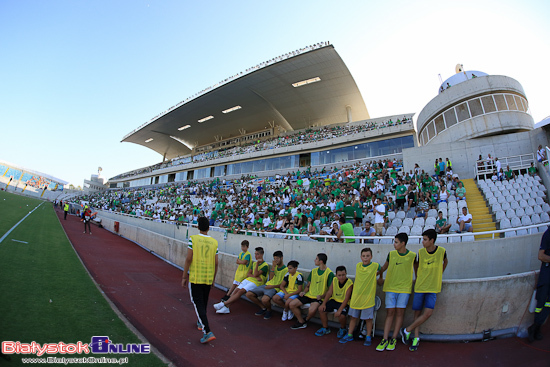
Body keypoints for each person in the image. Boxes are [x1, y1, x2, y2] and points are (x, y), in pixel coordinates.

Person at [401, 229, 448, 352]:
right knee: (417, 313)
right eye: (423, 239)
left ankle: (407, 330)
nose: (423, 242)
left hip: (433, 287)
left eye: (425, 239)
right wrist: (417, 277)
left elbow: (445, 261)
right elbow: (416, 265)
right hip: (420, 287)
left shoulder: (442, 251)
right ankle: (416, 338)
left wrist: (440, 273)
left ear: (432, 240)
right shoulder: (421, 252)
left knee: (428, 313)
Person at [181, 217, 219, 344]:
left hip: (196, 276)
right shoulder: (214, 242)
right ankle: (200, 321)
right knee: (203, 302)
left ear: (198, 227)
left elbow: (188, 259)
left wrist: (184, 276)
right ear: (209, 228)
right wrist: (213, 279)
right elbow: (216, 263)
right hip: (208, 276)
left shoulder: (193, 239)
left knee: (197, 303)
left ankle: (207, 331)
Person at [376, 233, 416, 352]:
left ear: (403, 243)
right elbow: (384, 267)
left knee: (400, 313)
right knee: (390, 313)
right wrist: (377, 274)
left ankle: (393, 338)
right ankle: (384, 338)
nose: (394, 244)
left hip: (404, 289)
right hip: (390, 288)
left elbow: (417, 270)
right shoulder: (391, 254)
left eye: (396, 242)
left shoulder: (413, 256)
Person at [339, 247, 382, 346]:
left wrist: (380, 276)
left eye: (368, 256)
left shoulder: (375, 265)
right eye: (363, 256)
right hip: (356, 297)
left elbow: (381, 269)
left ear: (371, 256)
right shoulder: (358, 265)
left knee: (368, 319)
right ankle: (349, 335)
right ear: (360, 257)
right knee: (353, 317)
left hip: (368, 297)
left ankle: (368, 336)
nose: (365, 258)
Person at [214, 247, 268, 314]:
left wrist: (257, 266)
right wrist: (254, 276)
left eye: (257, 254)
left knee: (240, 291)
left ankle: (224, 304)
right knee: (236, 290)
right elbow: (249, 274)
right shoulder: (254, 264)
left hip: (257, 282)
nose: (256, 256)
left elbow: (256, 274)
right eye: (255, 254)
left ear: (262, 255)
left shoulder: (265, 265)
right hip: (250, 279)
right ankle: (226, 307)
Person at [289, 253, 334, 330]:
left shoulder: (329, 273)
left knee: (312, 310)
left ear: (321, 261)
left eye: (316, 259)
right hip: (309, 295)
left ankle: (306, 319)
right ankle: (301, 322)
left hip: (318, 298)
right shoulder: (313, 271)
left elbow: (330, 290)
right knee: (292, 304)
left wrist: (322, 296)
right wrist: (304, 292)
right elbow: (308, 285)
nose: (314, 260)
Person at [246, 250, 287, 319]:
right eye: (274, 259)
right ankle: (263, 308)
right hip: (267, 285)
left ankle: (269, 310)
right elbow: (271, 278)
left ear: (281, 258)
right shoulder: (275, 267)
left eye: (277, 258)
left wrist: (271, 286)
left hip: (275, 288)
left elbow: (283, 285)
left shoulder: (286, 270)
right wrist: (273, 268)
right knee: (248, 294)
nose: (275, 260)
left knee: (264, 300)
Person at [316, 266, 353, 338]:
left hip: (343, 302)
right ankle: (325, 328)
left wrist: (339, 310)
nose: (341, 277)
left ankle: (343, 328)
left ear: (346, 274)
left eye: (343, 275)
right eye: (339, 275)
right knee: (321, 309)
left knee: (342, 315)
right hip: (334, 300)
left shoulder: (349, 283)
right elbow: (329, 292)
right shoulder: (334, 280)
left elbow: (346, 298)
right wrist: (323, 304)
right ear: (336, 275)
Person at [528, 228, 550, 342]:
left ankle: (536, 327)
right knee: (540, 303)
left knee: (548, 304)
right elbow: (541, 256)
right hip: (546, 274)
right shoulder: (547, 235)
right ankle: (535, 328)